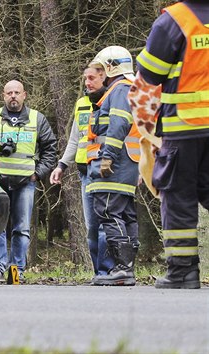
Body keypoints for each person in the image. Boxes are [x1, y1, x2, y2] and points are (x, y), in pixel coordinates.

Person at [128, 0, 208, 289]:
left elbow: (149, 75)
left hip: (184, 127)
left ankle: (183, 272)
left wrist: (148, 129)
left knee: (178, 198)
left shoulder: (175, 20)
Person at [0, 80, 57, 283]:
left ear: (24, 95)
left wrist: (38, 174)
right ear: (3, 96)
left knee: (21, 227)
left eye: (17, 92)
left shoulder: (37, 119)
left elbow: (50, 150)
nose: (13, 96)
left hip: (26, 182)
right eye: (9, 92)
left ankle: (16, 270)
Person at [49, 66, 114, 278]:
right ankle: (99, 272)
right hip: (85, 172)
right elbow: (75, 140)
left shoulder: (114, 100)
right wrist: (61, 165)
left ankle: (108, 271)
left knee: (106, 224)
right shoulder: (81, 104)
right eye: (85, 79)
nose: (87, 83)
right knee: (92, 228)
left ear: (104, 78)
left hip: (107, 171)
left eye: (92, 78)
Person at [86, 46, 141, 286]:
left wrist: (107, 157)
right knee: (126, 214)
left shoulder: (119, 90)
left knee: (109, 211)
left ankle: (122, 269)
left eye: (101, 68)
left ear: (111, 66)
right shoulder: (130, 89)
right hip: (127, 162)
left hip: (115, 164)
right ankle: (126, 268)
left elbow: (119, 124)